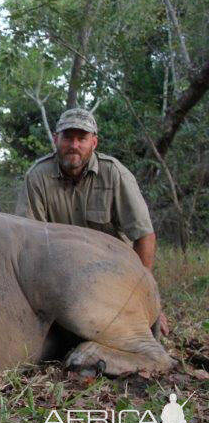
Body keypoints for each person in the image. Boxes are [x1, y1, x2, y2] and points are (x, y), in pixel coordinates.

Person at [15, 108, 168, 334]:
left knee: (136, 333)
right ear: (56, 139)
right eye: (68, 137)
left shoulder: (115, 174)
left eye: (82, 138)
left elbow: (144, 235)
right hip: (60, 276)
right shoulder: (37, 176)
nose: (74, 145)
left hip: (112, 275)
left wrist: (147, 298)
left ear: (94, 142)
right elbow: (25, 238)